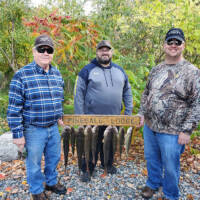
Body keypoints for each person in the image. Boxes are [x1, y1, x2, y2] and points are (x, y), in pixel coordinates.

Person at [137, 28, 200, 200]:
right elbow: (146, 93)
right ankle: (152, 184)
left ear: (183, 45)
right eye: (170, 42)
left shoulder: (192, 72)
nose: (173, 45)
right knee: (151, 160)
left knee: (171, 166)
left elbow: (197, 103)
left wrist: (187, 130)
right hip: (150, 127)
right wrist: (142, 113)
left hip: (173, 131)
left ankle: (171, 195)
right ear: (164, 45)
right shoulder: (156, 69)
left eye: (177, 42)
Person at [7, 35, 66, 200]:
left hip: (53, 128)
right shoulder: (22, 75)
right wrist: (18, 135)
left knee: (53, 159)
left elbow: (59, 98)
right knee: (33, 164)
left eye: (49, 49)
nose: (45, 52)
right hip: (33, 130)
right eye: (41, 49)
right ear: (34, 51)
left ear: (53, 53)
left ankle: (51, 182)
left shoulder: (56, 73)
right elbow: (13, 109)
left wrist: (59, 115)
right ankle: (36, 190)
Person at [74, 40, 133, 182]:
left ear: (111, 52)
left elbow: (127, 91)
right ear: (97, 52)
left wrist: (128, 113)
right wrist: (80, 117)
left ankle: (108, 164)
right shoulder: (87, 70)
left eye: (107, 50)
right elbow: (79, 94)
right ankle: (87, 168)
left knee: (110, 143)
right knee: (90, 144)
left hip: (114, 117)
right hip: (92, 117)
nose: (104, 52)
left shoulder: (120, 70)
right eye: (101, 50)